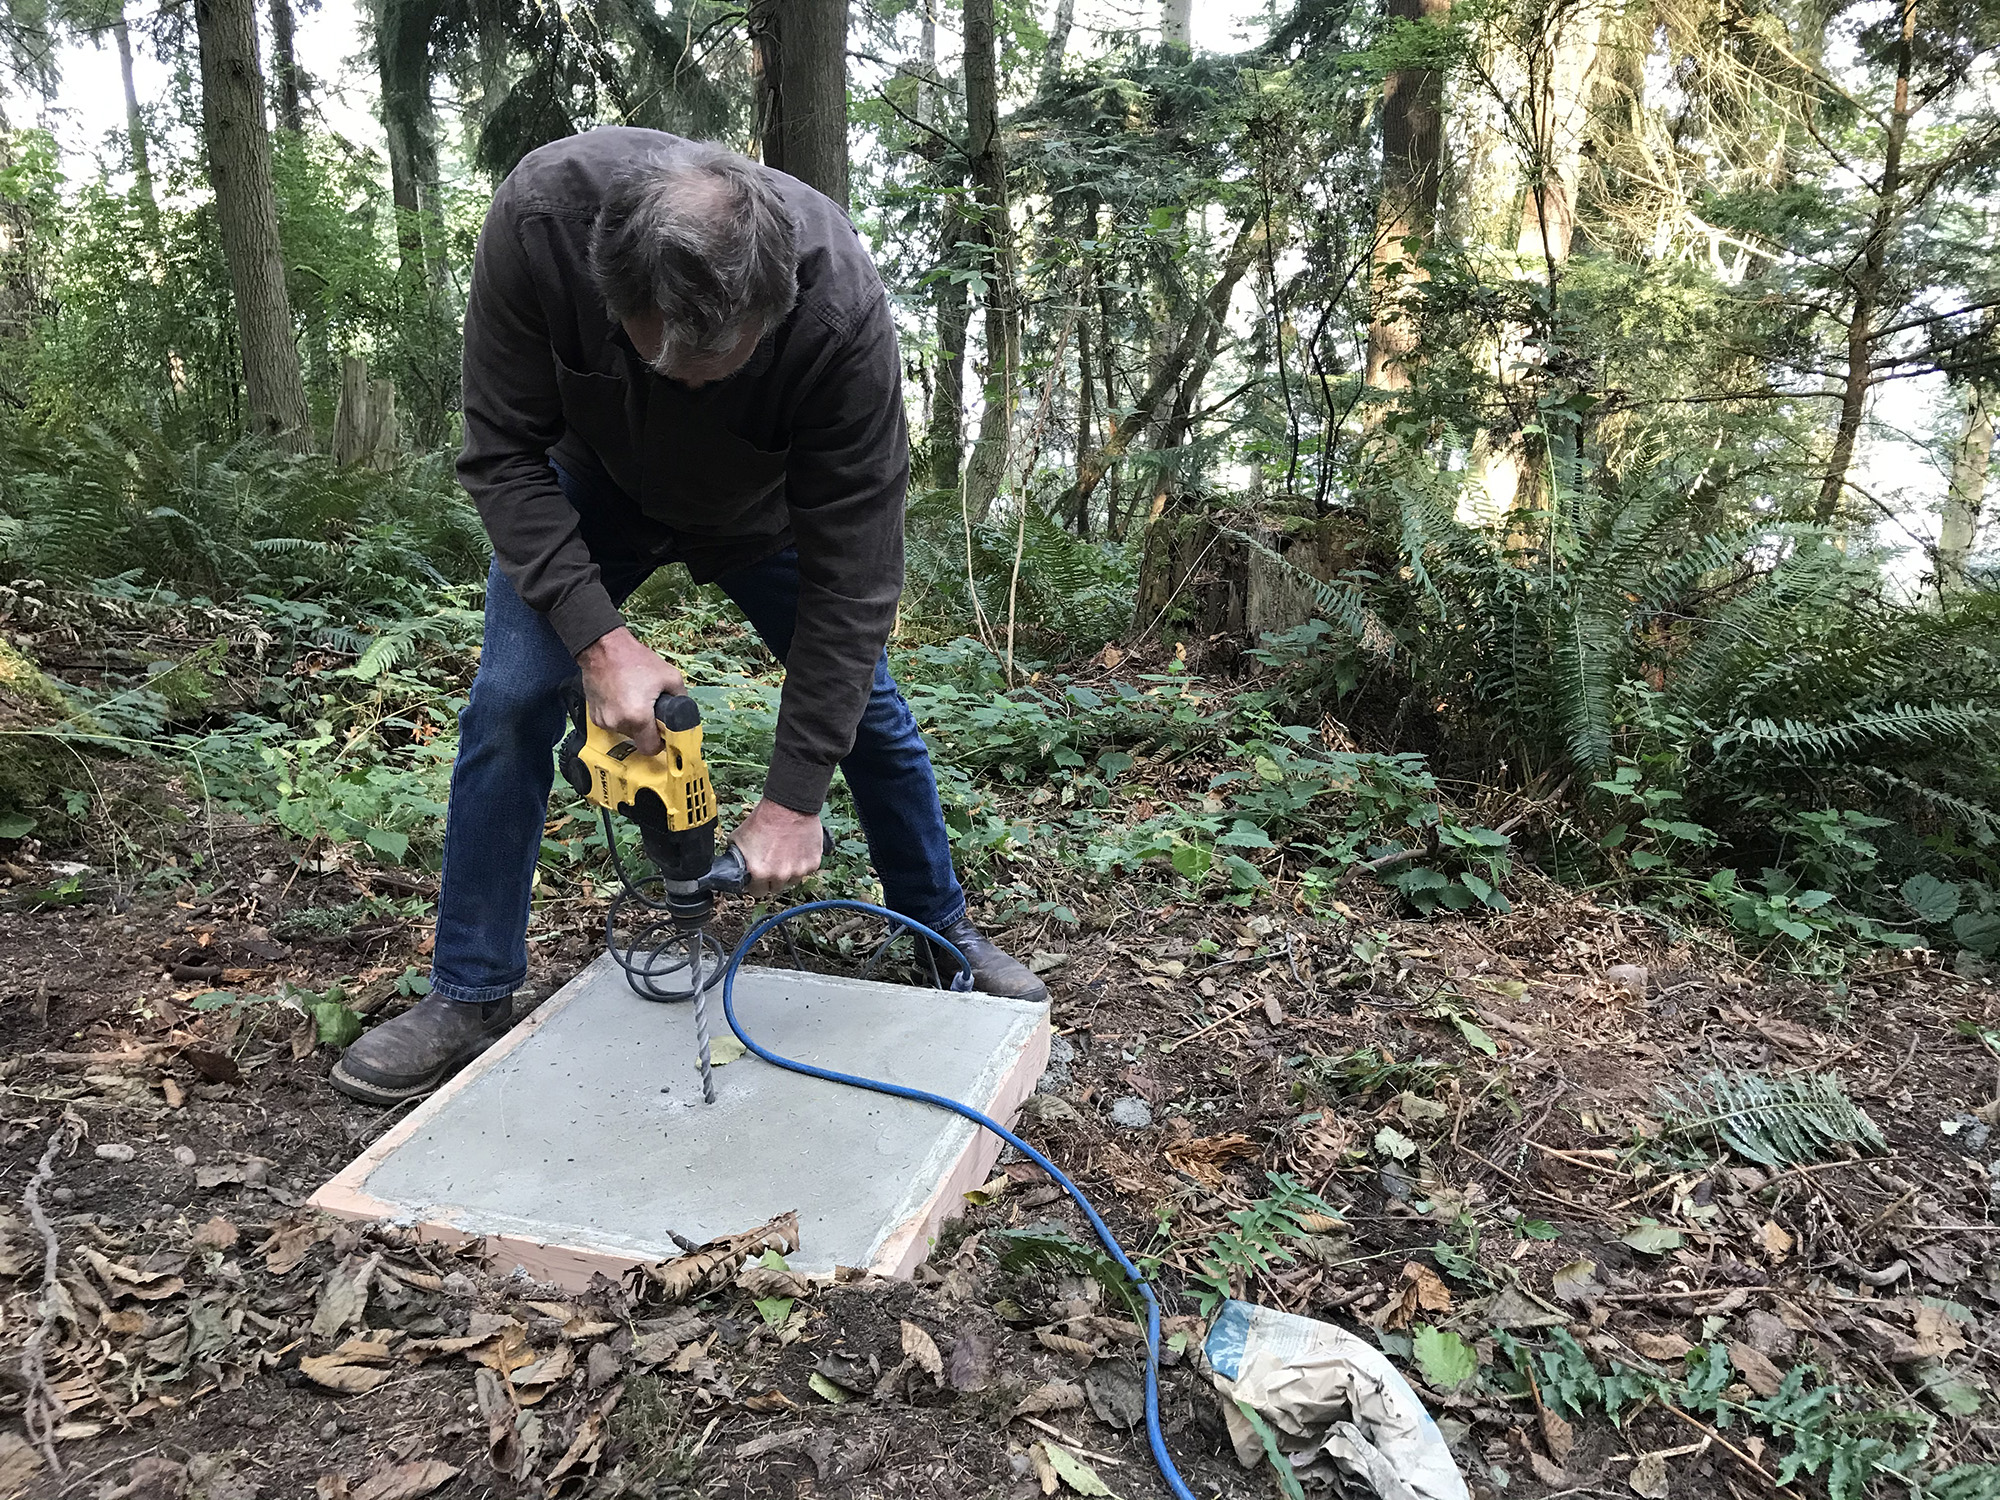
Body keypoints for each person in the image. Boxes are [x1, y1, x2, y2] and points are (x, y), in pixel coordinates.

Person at [332, 129, 1047, 1105]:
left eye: (719, 362)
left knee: (864, 713)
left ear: (776, 299)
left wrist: (793, 799)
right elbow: (500, 454)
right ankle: (469, 990)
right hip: (588, 490)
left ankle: (937, 928)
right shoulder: (540, 221)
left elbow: (856, 575)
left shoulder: (839, 309)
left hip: (766, 510)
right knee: (508, 700)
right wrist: (596, 639)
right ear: (607, 282)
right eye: (661, 356)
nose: (688, 379)